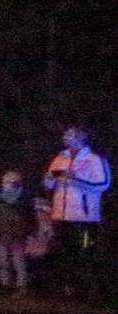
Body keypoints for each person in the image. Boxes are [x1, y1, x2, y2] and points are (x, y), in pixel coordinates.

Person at [42, 125, 109, 301]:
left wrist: (75, 180)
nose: (65, 137)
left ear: (81, 138)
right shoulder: (59, 158)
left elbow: (103, 185)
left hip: (84, 218)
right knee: (64, 255)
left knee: (85, 254)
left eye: (70, 135)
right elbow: (49, 185)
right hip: (61, 216)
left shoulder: (94, 159)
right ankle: (66, 291)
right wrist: (49, 179)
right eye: (65, 135)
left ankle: (89, 293)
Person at [0, 170, 33, 295]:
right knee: (3, 261)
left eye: (9, 181)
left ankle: (21, 287)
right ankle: (5, 285)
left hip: (17, 234)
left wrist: (26, 232)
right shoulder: (0, 198)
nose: (5, 184)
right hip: (3, 233)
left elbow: (28, 217)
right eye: (5, 181)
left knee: (18, 261)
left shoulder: (23, 198)